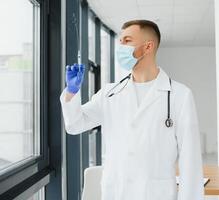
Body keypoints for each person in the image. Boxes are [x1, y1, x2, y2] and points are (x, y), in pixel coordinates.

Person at [60, 19, 204, 200]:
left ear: (148, 47)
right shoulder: (110, 93)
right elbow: (74, 125)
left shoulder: (179, 95)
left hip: (157, 194)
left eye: (127, 41)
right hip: (116, 192)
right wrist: (71, 93)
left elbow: (190, 161)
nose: (120, 47)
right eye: (120, 41)